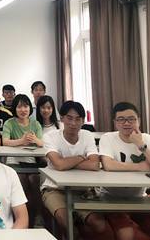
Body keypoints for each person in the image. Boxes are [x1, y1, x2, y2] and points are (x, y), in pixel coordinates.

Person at [42, 101, 114, 240]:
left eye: (78, 119)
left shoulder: (87, 135)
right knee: (67, 223)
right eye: (69, 118)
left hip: (84, 190)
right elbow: (59, 165)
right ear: (62, 119)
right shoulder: (50, 136)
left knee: (99, 225)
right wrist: (81, 158)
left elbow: (94, 164)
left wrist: (65, 162)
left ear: (83, 121)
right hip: (55, 189)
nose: (73, 123)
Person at [100, 102, 150, 240]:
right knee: (126, 234)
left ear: (138, 121)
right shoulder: (108, 138)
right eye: (121, 119)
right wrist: (140, 167)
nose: (126, 123)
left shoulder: (146, 138)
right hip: (111, 198)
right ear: (115, 122)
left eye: (131, 119)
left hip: (140, 198)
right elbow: (108, 165)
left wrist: (140, 144)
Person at [2, 94, 43, 227]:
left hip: (31, 161)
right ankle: (19, 217)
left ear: (30, 108)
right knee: (21, 181)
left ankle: (37, 215)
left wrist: (35, 140)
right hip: (13, 161)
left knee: (35, 180)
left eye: (25, 106)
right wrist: (22, 141)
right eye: (19, 107)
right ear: (15, 108)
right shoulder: (9, 123)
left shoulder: (35, 123)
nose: (23, 110)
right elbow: (5, 141)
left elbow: (42, 143)